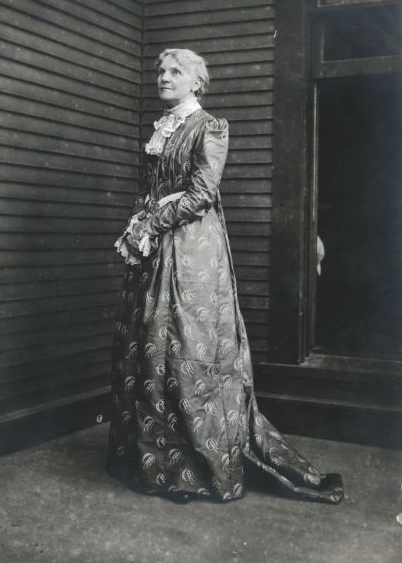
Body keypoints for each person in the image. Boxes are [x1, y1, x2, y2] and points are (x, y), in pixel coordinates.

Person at [107, 48, 344, 504]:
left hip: (193, 247)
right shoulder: (160, 128)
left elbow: (200, 192)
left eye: (176, 72)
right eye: (161, 71)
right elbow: (149, 189)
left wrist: (152, 223)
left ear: (197, 83)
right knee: (149, 340)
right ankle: (153, 465)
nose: (164, 77)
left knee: (185, 342)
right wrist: (136, 226)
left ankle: (191, 470)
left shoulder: (209, 126)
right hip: (155, 247)